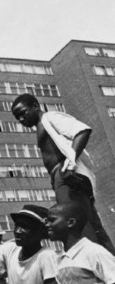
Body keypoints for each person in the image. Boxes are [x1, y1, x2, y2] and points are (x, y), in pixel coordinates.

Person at [11, 93, 115, 256]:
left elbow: (82, 131)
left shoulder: (50, 117)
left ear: (35, 106)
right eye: (18, 118)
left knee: (74, 225)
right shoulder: (40, 126)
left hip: (65, 174)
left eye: (23, 113)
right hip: (61, 177)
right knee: (90, 223)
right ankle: (109, 264)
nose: (21, 119)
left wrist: (69, 164)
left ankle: (90, 263)